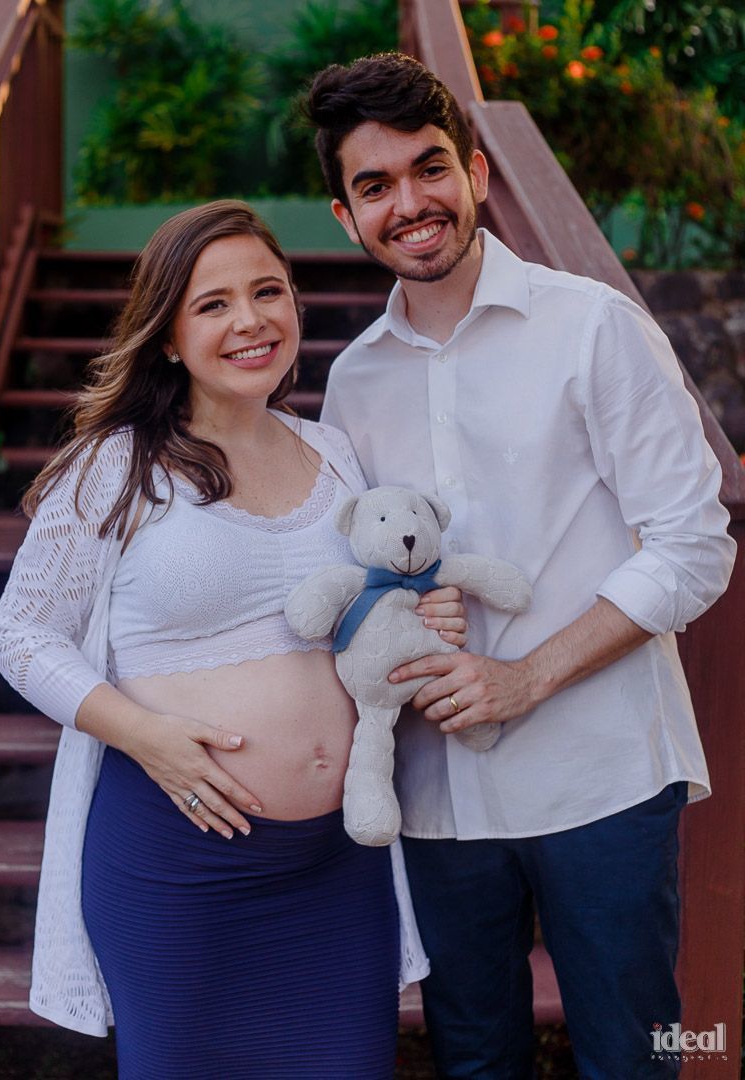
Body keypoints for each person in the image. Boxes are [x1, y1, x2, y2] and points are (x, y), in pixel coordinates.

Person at [306, 54, 736, 1079]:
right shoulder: (352, 383)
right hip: (437, 793)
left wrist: (524, 674)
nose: (410, 204)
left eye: (430, 168)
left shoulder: (594, 328)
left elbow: (695, 541)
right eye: (376, 186)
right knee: (473, 1055)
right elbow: (359, 570)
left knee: (637, 1054)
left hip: (605, 775)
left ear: (478, 174)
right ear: (343, 215)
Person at [0, 200, 456, 1078]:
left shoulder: (338, 456)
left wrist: (428, 619)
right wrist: (145, 736)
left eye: (267, 292)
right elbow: (22, 636)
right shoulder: (115, 467)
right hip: (179, 866)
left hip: (335, 870)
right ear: (166, 334)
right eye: (212, 304)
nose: (250, 321)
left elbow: (376, 602)